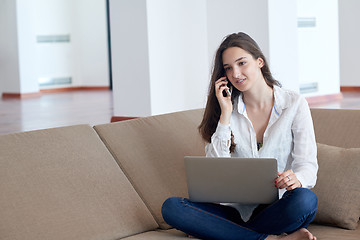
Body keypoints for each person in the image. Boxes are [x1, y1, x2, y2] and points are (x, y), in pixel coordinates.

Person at [161, 32, 318, 240]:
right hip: (236, 212)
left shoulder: (295, 104)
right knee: (172, 207)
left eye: (242, 63)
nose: (236, 74)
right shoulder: (226, 110)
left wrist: (296, 179)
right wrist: (225, 115)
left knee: (305, 200)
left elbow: (308, 166)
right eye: (228, 68)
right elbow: (214, 171)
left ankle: (223, 233)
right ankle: (268, 238)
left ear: (259, 61)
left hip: (279, 208)